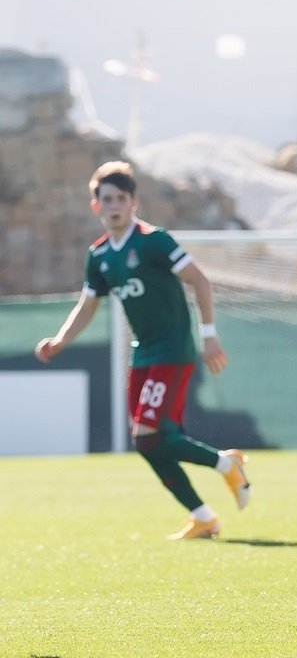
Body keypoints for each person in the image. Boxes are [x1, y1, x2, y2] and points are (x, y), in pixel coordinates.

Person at [34, 161, 251, 540]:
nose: (114, 205)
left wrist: (209, 334)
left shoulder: (154, 241)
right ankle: (203, 516)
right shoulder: (99, 255)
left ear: (133, 202)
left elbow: (200, 280)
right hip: (144, 352)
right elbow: (87, 305)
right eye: (107, 199)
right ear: (96, 206)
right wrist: (61, 340)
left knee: (148, 434)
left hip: (173, 349)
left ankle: (225, 465)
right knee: (146, 442)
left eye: (121, 198)